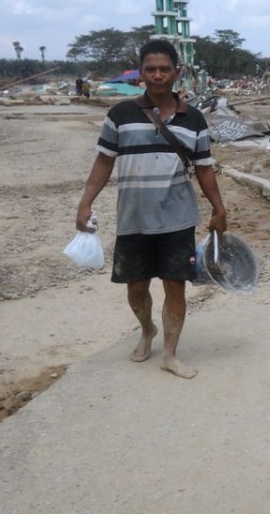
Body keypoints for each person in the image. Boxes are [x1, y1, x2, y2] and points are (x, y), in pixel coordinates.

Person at [75, 39, 227, 379]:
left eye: (165, 69)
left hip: (178, 219)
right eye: (150, 69)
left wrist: (219, 208)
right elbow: (103, 162)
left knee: (176, 286)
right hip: (134, 219)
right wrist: (85, 203)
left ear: (177, 72)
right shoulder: (120, 115)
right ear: (140, 73)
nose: (158, 75)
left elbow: (204, 167)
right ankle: (147, 330)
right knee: (136, 288)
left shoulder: (194, 119)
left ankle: (170, 354)